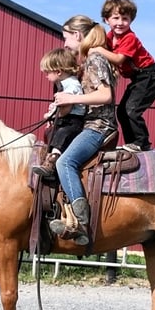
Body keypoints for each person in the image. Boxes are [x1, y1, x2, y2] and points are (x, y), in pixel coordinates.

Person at [49, 15, 118, 246]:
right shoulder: (90, 58)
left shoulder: (95, 58)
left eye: (66, 37)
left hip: (99, 126)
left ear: (77, 35)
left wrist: (69, 97)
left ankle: (80, 221)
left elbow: (105, 95)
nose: (66, 44)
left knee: (64, 162)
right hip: (89, 123)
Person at [89, 0, 155, 152]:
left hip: (148, 76)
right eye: (115, 18)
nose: (120, 23)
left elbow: (119, 59)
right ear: (106, 20)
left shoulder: (130, 38)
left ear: (131, 20)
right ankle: (131, 143)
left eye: (125, 18)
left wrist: (99, 50)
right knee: (122, 111)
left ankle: (142, 143)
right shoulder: (109, 38)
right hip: (137, 78)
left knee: (132, 110)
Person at [32, 47, 85, 180]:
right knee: (50, 132)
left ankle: (53, 159)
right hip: (64, 118)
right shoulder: (62, 84)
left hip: (73, 121)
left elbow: (66, 108)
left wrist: (51, 115)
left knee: (62, 134)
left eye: (47, 72)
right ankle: (50, 158)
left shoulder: (71, 85)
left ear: (59, 71)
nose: (46, 75)